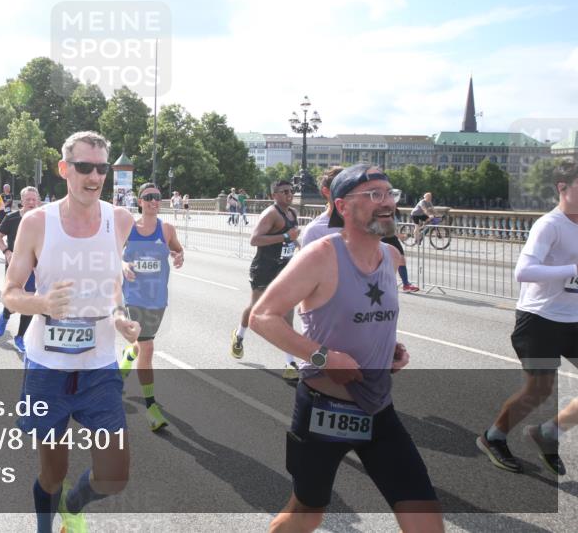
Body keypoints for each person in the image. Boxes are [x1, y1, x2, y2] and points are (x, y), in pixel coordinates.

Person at [250, 163, 442, 533]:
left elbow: (365, 318)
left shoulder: (390, 257)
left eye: (389, 193)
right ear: (343, 206)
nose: (386, 203)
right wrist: (324, 357)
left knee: (426, 520)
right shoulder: (321, 255)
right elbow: (263, 316)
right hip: (325, 412)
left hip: (379, 409)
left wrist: (389, 349)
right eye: (373, 195)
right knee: (305, 515)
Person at [3, 131, 139, 533]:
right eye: (84, 167)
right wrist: (41, 305)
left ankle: (74, 506)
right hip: (48, 367)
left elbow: (112, 285)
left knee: (115, 475)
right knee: (52, 472)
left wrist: (118, 316)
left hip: (99, 366)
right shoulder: (36, 223)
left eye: (101, 168)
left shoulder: (120, 220)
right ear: (65, 169)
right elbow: (9, 293)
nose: (94, 176)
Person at [477, 160, 578, 476]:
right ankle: (494, 438)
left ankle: (549, 431)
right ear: (562, 188)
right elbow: (523, 271)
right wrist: (573, 270)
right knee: (540, 390)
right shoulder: (550, 225)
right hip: (539, 319)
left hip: (573, 319)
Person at [117, 182, 185, 431]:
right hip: (133, 297)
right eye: (148, 197)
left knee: (140, 345)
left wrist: (178, 256)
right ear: (140, 202)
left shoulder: (166, 229)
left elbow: (178, 249)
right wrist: (123, 266)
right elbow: (114, 255)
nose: (154, 201)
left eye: (157, 197)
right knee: (148, 347)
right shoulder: (128, 229)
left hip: (158, 299)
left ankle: (127, 358)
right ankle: (151, 407)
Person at [232, 180, 301, 380]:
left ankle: (290, 363)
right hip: (264, 269)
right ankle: (239, 336)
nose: (290, 194)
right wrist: (286, 237)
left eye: (292, 191)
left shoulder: (292, 213)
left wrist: (297, 243)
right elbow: (255, 239)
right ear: (274, 195)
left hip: (284, 270)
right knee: (254, 308)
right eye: (285, 191)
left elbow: (291, 236)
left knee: (288, 314)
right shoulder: (271, 214)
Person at [0, 186, 41, 353]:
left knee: (30, 299)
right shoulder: (12, 218)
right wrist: (6, 251)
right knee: (14, 296)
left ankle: (20, 337)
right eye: (28, 199)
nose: (31, 203)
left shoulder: (43, 218)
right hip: (16, 263)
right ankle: (6, 314)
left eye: (34, 199)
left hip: (36, 265)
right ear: (22, 201)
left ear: (38, 201)